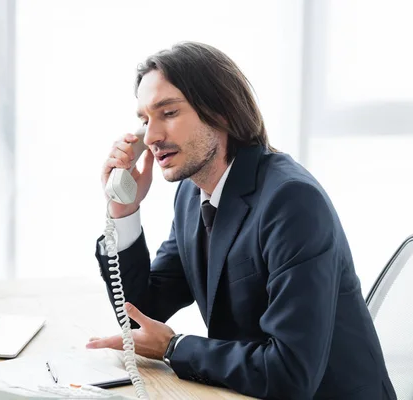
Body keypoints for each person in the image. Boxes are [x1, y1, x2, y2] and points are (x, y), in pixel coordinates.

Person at [87, 42, 396, 400]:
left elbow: (290, 373)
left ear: (220, 112)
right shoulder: (191, 195)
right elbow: (141, 312)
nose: (152, 136)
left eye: (168, 113)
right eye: (144, 120)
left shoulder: (291, 202)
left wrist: (175, 347)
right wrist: (123, 211)